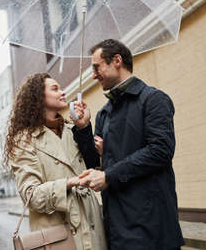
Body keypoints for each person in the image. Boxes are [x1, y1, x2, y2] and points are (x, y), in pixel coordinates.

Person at [71, 39, 185, 250]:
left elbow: (160, 150)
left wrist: (108, 176)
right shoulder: (104, 113)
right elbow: (95, 163)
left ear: (117, 60)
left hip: (151, 227)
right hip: (117, 227)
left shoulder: (153, 100)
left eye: (97, 67)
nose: (94, 74)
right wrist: (83, 128)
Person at [4, 73, 107, 250]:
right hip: (58, 239)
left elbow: (93, 168)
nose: (63, 92)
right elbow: (31, 195)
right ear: (38, 96)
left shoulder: (72, 130)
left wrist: (85, 129)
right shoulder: (24, 140)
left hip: (92, 229)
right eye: (55, 89)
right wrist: (68, 183)